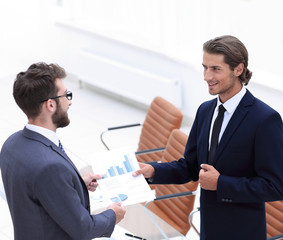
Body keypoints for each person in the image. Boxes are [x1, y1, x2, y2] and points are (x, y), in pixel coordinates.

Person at [133, 35, 283, 240]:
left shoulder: (265, 119)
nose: (206, 76)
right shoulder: (205, 111)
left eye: (215, 69)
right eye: (205, 67)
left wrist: (221, 183)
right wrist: (153, 171)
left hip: (243, 233)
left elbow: (275, 187)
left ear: (238, 69)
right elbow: (191, 167)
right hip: (209, 229)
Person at [0, 62, 126, 240]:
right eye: (66, 95)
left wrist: (75, 183)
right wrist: (112, 215)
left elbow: (37, 192)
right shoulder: (50, 167)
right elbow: (84, 229)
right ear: (50, 105)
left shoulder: (11, 144)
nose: (70, 101)